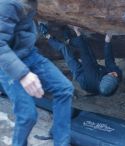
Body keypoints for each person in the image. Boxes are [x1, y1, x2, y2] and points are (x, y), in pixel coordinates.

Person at [0, 0, 73, 146]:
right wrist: (23, 74)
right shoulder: (8, 4)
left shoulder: (31, 2)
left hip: (29, 54)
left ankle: (61, 142)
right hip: (8, 62)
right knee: (27, 116)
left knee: (64, 89)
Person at [39, 24, 122, 96]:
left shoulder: (92, 76)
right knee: (85, 44)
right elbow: (109, 60)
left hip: (82, 76)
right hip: (96, 72)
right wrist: (107, 42)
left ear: (104, 77)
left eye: (111, 75)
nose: (114, 73)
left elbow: (85, 56)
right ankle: (69, 40)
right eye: (114, 76)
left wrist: (78, 33)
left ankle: (47, 36)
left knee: (64, 48)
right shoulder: (116, 76)